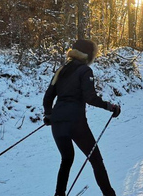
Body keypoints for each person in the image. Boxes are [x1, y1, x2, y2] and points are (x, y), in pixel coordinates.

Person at [43, 39, 121, 196]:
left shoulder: (62, 69)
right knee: (96, 161)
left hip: (58, 123)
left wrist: (49, 115)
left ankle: (59, 194)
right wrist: (109, 107)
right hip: (76, 123)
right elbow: (90, 98)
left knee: (66, 159)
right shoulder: (85, 70)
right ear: (88, 54)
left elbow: (48, 98)